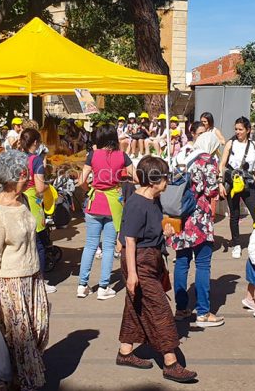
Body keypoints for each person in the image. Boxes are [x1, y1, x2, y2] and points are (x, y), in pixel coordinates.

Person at [116, 156, 197, 383]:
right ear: (153, 180)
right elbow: (129, 240)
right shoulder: (136, 203)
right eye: (164, 177)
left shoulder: (154, 200)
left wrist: (166, 230)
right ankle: (171, 362)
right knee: (160, 310)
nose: (167, 181)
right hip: (138, 262)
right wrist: (132, 274)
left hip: (151, 259)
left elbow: (152, 226)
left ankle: (125, 352)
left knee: (135, 307)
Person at [0, 150, 49, 390]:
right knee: (22, 339)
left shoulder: (23, 200)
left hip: (33, 275)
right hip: (11, 280)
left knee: (39, 328)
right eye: (23, 175)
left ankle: (19, 374)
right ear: (10, 178)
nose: (27, 178)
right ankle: (26, 381)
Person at [169, 134, 224, 327]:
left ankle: (181, 308)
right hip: (199, 216)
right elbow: (211, 190)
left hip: (179, 215)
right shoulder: (206, 160)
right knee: (202, 264)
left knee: (181, 263)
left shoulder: (179, 156)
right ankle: (203, 312)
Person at [76, 125, 133, 300]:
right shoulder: (122, 155)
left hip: (94, 203)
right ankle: (103, 287)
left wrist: (89, 189)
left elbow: (81, 181)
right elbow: (135, 177)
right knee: (109, 247)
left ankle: (82, 286)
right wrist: (120, 179)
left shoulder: (92, 155)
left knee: (90, 245)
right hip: (113, 204)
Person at [218, 116, 255, 259]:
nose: (237, 132)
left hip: (248, 183)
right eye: (236, 129)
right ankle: (236, 244)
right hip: (233, 183)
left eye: (240, 129)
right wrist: (220, 183)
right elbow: (222, 164)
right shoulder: (231, 143)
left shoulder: (253, 145)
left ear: (248, 130)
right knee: (234, 214)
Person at [20, 128, 57, 294]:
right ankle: (39, 282)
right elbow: (40, 187)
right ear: (35, 143)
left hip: (16, 201)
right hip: (32, 202)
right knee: (39, 245)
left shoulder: (15, 158)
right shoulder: (35, 161)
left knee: (21, 243)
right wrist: (49, 186)